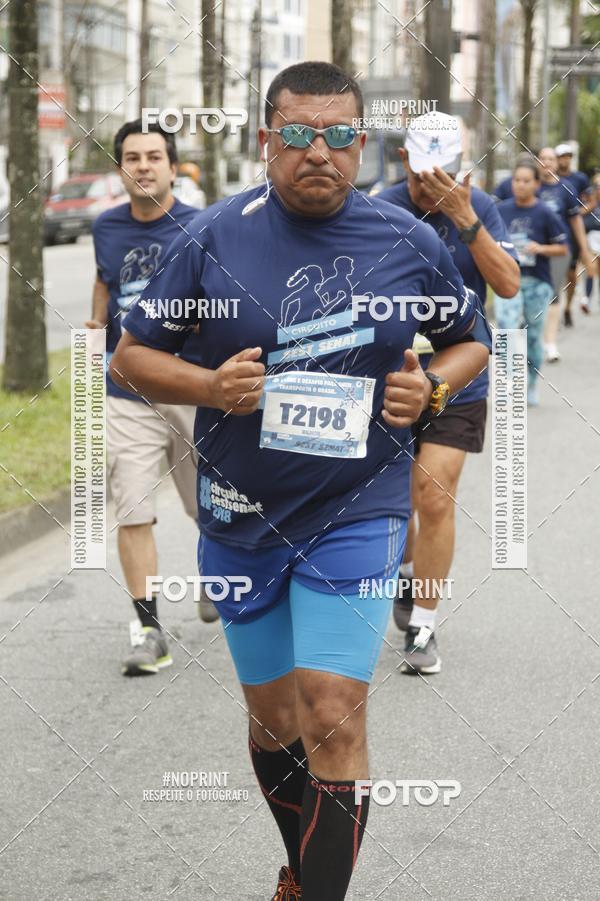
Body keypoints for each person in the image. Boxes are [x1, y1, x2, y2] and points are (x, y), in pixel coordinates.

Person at [110, 62, 492, 901]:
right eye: (296, 134)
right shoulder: (211, 236)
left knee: (331, 713)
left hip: (359, 508)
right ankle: (303, 864)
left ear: (362, 143)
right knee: (276, 722)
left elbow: (471, 339)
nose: (317, 151)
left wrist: (431, 386)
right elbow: (129, 356)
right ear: (265, 141)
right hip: (241, 512)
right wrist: (210, 387)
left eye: (338, 135)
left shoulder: (409, 239)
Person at [377, 113, 519, 673]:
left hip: (458, 377)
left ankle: (422, 626)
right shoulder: (380, 207)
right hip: (387, 378)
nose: (427, 188)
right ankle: (406, 572)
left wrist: (465, 221)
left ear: (462, 169)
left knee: (433, 495)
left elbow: (508, 284)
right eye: (417, 175)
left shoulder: (479, 207)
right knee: (390, 502)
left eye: (441, 176)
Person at [87, 119, 217, 678]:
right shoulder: (106, 228)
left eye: (154, 157)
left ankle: (218, 577)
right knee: (133, 508)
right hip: (127, 390)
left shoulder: (204, 227)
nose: (142, 166)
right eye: (132, 157)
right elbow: (104, 279)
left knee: (209, 507)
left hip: (192, 387)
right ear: (121, 168)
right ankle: (148, 629)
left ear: (172, 167)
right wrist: (95, 330)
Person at [495, 161, 568, 405]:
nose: (521, 185)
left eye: (527, 181)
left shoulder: (545, 213)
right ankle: (508, 382)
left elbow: (563, 248)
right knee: (506, 325)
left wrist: (540, 248)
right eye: (517, 180)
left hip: (537, 281)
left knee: (533, 336)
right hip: (508, 279)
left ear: (537, 184)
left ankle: (531, 382)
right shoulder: (501, 210)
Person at [536, 147, 594, 359]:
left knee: (553, 294)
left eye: (550, 159)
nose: (547, 163)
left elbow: (576, 221)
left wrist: (585, 251)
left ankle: (550, 343)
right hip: (531, 252)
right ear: (537, 162)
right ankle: (532, 337)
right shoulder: (530, 185)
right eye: (543, 159)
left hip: (560, 249)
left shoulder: (566, 187)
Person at [581, 175, 600, 313]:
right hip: (591, 240)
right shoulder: (590, 205)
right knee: (591, 270)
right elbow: (582, 223)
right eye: (597, 187)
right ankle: (586, 299)